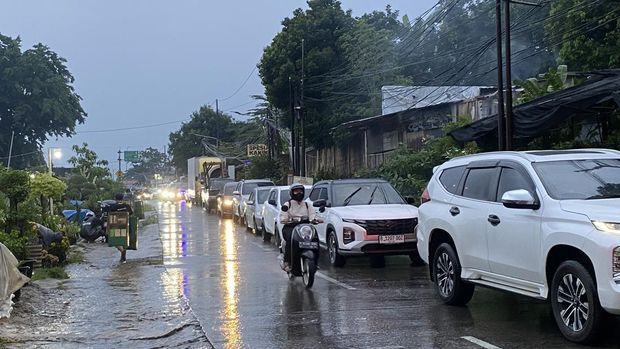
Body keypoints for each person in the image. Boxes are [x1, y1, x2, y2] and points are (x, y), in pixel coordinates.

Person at [279, 183, 320, 272]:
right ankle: (287, 262)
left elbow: (312, 215)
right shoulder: (288, 204)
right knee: (291, 239)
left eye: (300, 191)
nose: (299, 193)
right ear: (292, 193)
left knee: (315, 239)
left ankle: (316, 262)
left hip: (305, 228)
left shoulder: (307, 204)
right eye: (296, 191)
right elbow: (283, 217)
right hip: (290, 227)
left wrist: (315, 220)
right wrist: (288, 220)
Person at [110, 193, 133, 262]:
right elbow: (131, 213)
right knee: (124, 240)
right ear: (122, 198)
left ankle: (122, 251)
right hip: (127, 226)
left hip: (117, 227)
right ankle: (123, 255)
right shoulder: (127, 206)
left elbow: (110, 215)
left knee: (115, 242)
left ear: (115, 198)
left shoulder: (113, 207)